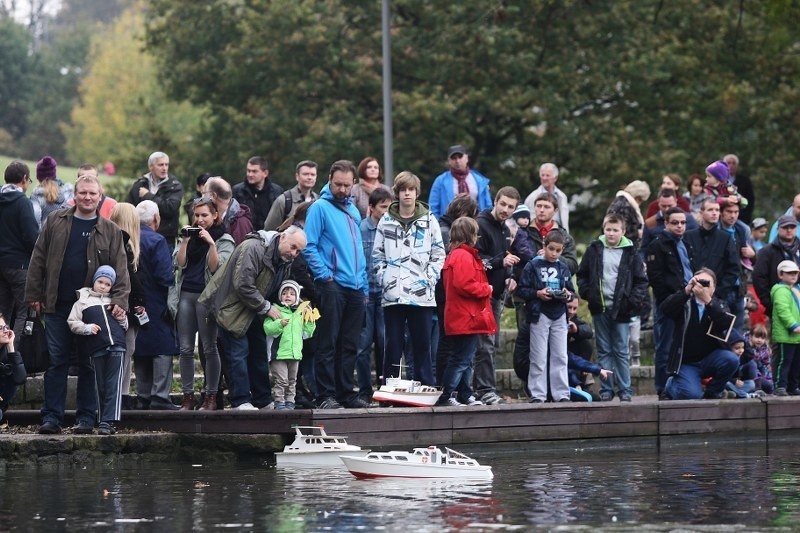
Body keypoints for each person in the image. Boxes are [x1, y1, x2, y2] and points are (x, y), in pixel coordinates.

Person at [26, 174, 130, 434]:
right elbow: (38, 258)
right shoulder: (55, 221)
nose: (87, 197)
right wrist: (34, 294)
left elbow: (121, 268)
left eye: (92, 193)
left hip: (93, 309)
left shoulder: (111, 230)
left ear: (100, 195)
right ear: (75, 194)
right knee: (56, 361)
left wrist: (119, 299)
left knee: (88, 363)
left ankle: (86, 417)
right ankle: (52, 417)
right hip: (57, 304)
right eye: (83, 192)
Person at [199, 226, 307, 410]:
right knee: (238, 354)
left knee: (258, 354)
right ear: (282, 238)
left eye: (299, 251)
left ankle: (262, 400)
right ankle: (240, 400)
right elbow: (243, 284)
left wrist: (298, 305)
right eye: (294, 247)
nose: (295, 253)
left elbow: (277, 290)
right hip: (230, 308)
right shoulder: (253, 247)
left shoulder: (284, 259)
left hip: (254, 310)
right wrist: (266, 307)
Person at [303, 160, 369, 409]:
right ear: (329, 180)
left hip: (356, 286)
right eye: (338, 184)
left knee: (350, 343)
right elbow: (308, 245)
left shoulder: (353, 210)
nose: (342, 189)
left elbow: (358, 251)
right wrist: (325, 276)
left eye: (346, 185)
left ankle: (345, 392)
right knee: (327, 342)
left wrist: (362, 283)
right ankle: (325, 395)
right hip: (332, 284)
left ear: (353, 184)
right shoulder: (319, 208)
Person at [373, 171, 445, 386]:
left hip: (421, 295)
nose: (407, 194)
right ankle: (390, 389)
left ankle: (425, 387)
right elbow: (377, 255)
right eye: (403, 190)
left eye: (411, 190)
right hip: (393, 295)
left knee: (422, 344)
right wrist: (385, 277)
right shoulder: (386, 221)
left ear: (416, 193)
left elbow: (438, 253)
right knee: (393, 345)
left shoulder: (429, 220)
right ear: (397, 193)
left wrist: (429, 278)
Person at [577, 214, 648, 402]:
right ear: (604, 230)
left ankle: (625, 388)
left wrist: (632, 301)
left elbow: (640, 281)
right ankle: (606, 388)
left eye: (615, 230)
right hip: (600, 307)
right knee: (604, 350)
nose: (611, 233)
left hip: (622, 309)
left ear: (623, 232)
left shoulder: (631, 252)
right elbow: (582, 274)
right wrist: (587, 293)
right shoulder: (594, 249)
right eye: (608, 229)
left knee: (621, 350)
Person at [173, 198, 235, 411]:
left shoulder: (224, 239)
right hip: (187, 295)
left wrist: (210, 243)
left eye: (204, 215)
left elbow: (217, 268)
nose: (199, 220)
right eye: (197, 215)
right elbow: (179, 264)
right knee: (185, 349)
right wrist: (184, 242)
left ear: (215, 216)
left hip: (207, 298)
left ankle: (211, 396)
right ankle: (188, 397)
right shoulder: (189, 236)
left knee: (210, 348)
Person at [437, 217, 494, 406]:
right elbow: (464, 284)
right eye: (475, 233)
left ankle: (464, 393)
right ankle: (447, 395)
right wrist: (487, 289)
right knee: (460, 359)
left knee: (465, 358)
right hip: (465, 316)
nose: (477, 237)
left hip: (462, 315)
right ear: (469, 235)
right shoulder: (463, 255)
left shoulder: (457, 254)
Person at [661, 268, 740, 400]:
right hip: (687, 362)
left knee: (732, 359)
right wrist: (686, 291)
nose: (702, 286)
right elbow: (665, 309)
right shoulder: (684, 303)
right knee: (692, 395)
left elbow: (724, 322)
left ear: (714, 288)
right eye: (699, 282)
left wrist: (708, 302)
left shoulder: (719, 305)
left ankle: (712, 391)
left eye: (706, 283)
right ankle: (671, 386)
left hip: (710, 359)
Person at [67, 265, 128, 435]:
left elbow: (124, 325)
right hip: (96, 348)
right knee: (100, 384)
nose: (103, 286)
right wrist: (86, 328)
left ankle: (109, 421)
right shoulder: (82, 301)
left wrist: (122, 319)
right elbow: (72, 322)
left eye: (108, 284)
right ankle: (102, 420)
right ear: (94, 281)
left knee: (113, 384)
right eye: (100, 282)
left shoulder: (114, 301)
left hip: (117, 345)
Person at [474, 186, 520, 405]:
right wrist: (500, 263)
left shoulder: (504, 229)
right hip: (481, 296)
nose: (505, 209)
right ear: (495, 201)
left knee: (492, 344)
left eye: (511, 207)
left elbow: (504, 257)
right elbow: (477, 261)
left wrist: (509, 276)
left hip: (497, 295)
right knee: (485, 345)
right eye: (503, 204)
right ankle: (484, 390)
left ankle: (485, 388)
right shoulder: (481, 224)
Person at [517, 231, 575, 403]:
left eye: (558, 250)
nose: (554, 254)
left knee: (560, 355)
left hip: (559, 314)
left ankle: (561, 394)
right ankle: (538, 394)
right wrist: (537, 293)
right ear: (544, 246)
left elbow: (571, 291)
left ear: (562, 250)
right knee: (538, 356)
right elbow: (521, 290)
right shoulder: (532, 266)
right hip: (539, 313)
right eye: (551, 249)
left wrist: (568, 295)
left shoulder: (563, 267)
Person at [645, 207, 697, 396]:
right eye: (675, 222)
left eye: (683, 222)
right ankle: (661, 388)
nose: (680, 226)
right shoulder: (657, 246)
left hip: (689, 298)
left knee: (685, 346)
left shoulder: (686, 243)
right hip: (668, 302)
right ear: (666, 223)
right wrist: (669, 299)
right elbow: (655, 279)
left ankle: (679, 386)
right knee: (665, 348)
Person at [133, 200, 179, 411]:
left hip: (133, 301)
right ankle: (159, 395)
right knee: (162, 346)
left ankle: (143, 395)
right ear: (155, 219)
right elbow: (164, 276)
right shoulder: (157, 240)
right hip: (156, 300)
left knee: (140, 345)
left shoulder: (130, 237)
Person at [109, 203, 146, 411]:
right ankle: (120, 396)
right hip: (125, 304)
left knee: (125, 350)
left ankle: (121, 394)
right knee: (126, 349)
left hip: (121, 302)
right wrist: (141, 301)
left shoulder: (118, 242)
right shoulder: (125, 243)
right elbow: (131, 277)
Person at [357, 188, 393, 400]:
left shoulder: (391, 228)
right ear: (371, 207)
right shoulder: (361, 228)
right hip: (365, 292)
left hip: (385, 292)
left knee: (384, 341)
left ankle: (385, 389)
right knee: (363, 344)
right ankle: (364, 390)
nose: (386, 211)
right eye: (383, 207)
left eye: (389, 207)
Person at [263, 280, 318, 410]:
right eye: (285, 293)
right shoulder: (276, 311)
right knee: (281, 381)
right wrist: (279, 323)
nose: (288, 295)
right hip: (278, 354)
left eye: (292, 293)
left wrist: (310, 320)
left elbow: (308, 333)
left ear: (297, 297)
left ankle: (290, 403)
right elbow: (268, 328)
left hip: (295, 354)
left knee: (292, 381)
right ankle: (279, 402)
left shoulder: (300, 313)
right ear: (280, 296)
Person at [0, 161, 38, 344]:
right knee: (23, 313)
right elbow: (31, 236)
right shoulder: (22, 202)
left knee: (2, 312)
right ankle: (12, 357)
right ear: (24, 179)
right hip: (19, 265)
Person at [126, 151, 184, 244]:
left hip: (165, 238)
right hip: (140, 236)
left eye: (166, 165)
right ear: (151, 167)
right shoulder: (140, 184)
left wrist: (148, 196)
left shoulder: (175, 186)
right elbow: (129, 209)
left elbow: (170, 208)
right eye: (160, 165)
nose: (164, 168)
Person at [753, 215, 800, 317]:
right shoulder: (766, 252)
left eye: (792, 227)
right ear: (778, 229)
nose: (789, 230)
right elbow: (759, 278)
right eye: (785, 227)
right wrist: (770, 303)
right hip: (776, 307)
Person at [428, 145, 493, 219]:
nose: (457, 161)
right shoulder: (440, 181)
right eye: (453, 158)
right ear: (449, 161)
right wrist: (440, 226)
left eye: (460, 157)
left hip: (477, 225)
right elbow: (433, 208)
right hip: (449, 226)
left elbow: (488, 206)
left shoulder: (480, 180)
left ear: (466, 158)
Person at [770, 260, 800, 396]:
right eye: (789, 273)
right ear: (781, 275)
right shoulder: (780, 290)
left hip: (797, 335)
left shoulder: (796, 289)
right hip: (786, 334)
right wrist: (793, 325)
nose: (793, 276)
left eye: (795, 273)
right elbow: (783, 310)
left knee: (796, 362)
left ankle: (793, 386)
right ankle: (780, 385)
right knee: (784, 361)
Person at [264, 160, 319, 231]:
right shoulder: (284, 200)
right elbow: (269, 230)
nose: (309, 177)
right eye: (305, 174)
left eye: (313, 175)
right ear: (297, 176)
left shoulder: (318, 200)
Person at [233, 156, 283, 231]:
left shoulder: (277, 191)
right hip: (246, 236)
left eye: (254, 171)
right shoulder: (238, 191)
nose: (250, 174)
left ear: (265, 173)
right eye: (248, 171)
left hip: (270, 235)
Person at [202, 176, 253, 245]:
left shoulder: (240, 223)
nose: (202, 199)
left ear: (213, 196)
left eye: (204, 194)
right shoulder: (217, 218)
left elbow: (240, 253)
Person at [524, 163, 570, 233]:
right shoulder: (532, 197)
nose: (544, 178)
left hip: (559, 236)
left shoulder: (562, 196)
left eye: (547, 175)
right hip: (538, 237)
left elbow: (564, 222)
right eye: (542, 175)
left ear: (555, 178)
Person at [30, 155, 73, 230]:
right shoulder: (67, 192)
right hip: (63, 237)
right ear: (54, 173)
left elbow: (35, 221)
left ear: (38, 177)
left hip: (44, 238)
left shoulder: (36, 196)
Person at [606, 180, 651, 248]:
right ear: (638, 198)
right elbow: (619, 230)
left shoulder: (620, 203)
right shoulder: (624, 206)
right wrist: (638, 233)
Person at [0, 313, 27, 422]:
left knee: (13, 372)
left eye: (6, 327)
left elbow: (20, 379)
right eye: (0, 328)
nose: (6, 331)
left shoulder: (8, 353)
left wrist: (11, 348)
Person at [723, 330, 758, 399]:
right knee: (726, 383)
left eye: (742, 348)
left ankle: (733, 393)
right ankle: (745, 395)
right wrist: (733, 380)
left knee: (751, 384)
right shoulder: (725, 359)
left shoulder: (741, 358)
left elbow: (750, 355)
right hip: (728, 383)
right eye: (737, 348)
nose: (741, 351)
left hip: (736, 386)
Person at [724, 154, 755, 224]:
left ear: (737, 166)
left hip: (741, 218)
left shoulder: (745, 181)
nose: (731, 165)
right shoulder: (719, 180)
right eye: (728, 163)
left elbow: (750, 200)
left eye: (734, 163)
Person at [747, 324, 773, 394]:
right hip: (745, 374)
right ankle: (757, 388)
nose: (759, 340)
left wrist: (768, 379)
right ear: (751, 336)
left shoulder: (764, 350)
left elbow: (766, 366)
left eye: (762, 338)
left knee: (769, 385)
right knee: (752, 363)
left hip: (758, 375)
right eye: (757, 337)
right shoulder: (744, 345)